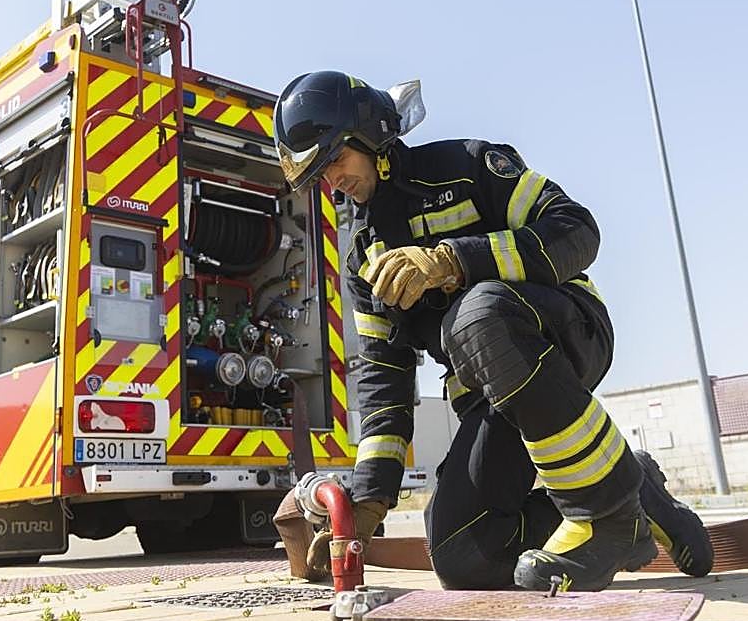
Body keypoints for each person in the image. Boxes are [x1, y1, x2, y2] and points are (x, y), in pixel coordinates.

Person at [273, 70, 713, 590]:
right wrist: (369, 502)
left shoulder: (466, 166)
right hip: (488, 393)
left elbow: (577, 228)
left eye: (336, 161)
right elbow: (381, 379)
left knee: (476, 313)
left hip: (566, 334)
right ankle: (631, 491)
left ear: (367, 136)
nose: (333, 182)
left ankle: (603, 517)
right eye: (320, 176)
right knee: (461, 554)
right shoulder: (363, 257)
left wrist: (453, 261)